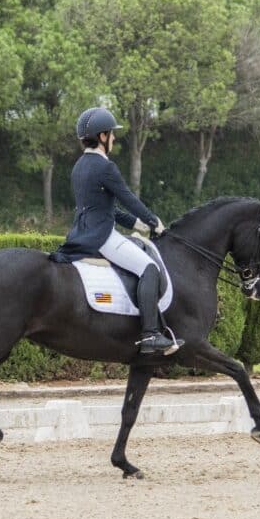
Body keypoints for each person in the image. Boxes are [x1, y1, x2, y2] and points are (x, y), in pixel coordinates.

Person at [51, 107, 183, 355]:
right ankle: (150, 335)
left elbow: (102, 207)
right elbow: (128, 198)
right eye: (111, 134)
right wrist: (153, 221)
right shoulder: (105, 167)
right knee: (149, 268)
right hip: (101, 237)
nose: (114, 138)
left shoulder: (79, 165)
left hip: (81, 233)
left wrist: (135, 224)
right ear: (102, 136)